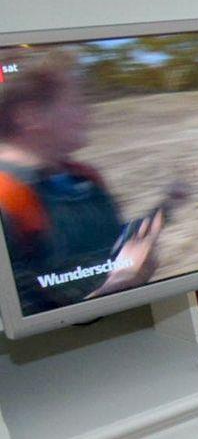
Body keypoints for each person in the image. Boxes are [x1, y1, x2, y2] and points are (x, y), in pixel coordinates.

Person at [0, 52, 162, 316]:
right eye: (75, 102)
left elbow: (107, 249)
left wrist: (139, 243)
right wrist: (121, 281)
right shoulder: (7, 198)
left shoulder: (85, 178)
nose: (87, 111)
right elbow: (31, 320)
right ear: (29, 116)